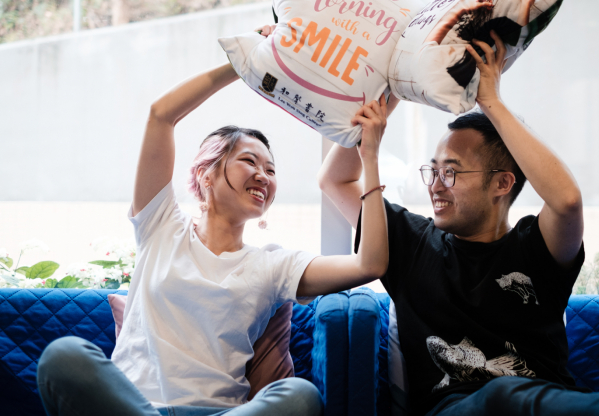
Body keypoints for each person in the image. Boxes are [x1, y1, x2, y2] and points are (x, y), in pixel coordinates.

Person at [318, 31, 599, 416]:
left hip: (548, 403)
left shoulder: (537, 249)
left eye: (451, 173)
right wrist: (397, 83)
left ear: (502, 183)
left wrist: (492, 102)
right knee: (501, 398)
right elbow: (334, 180)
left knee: (513, 396)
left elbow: (566, 201)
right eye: (432, 171)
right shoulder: (409, 242)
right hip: (454, 409)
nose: (435, 186)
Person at [36, 25, 390, 416]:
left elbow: (369, 264)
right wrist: (246, 64)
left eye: (271, 170)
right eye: (249, 161)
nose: (263, 176)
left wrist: (369, 158)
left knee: (297, 396)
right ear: (206, 174)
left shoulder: (273, 265)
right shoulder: (160, 227)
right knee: (64, 356)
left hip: (219, 414)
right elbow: (161, 115)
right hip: (134, 407)